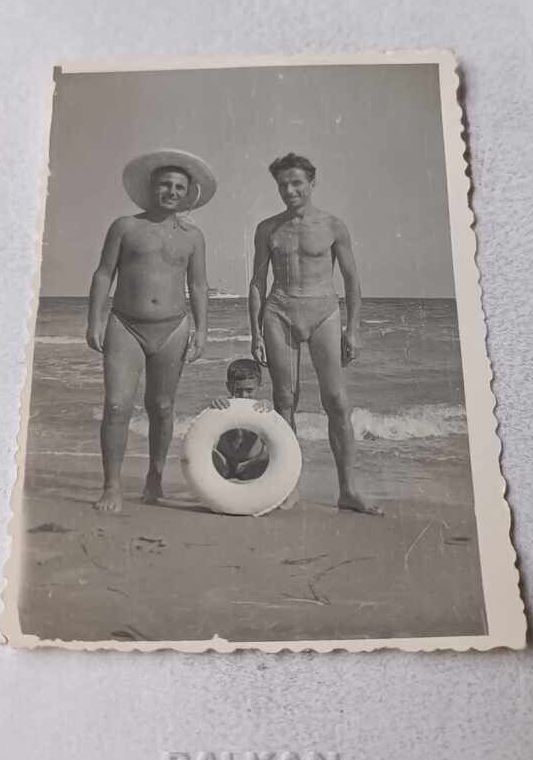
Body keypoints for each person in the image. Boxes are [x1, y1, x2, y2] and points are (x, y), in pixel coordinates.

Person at [249, 152, 382, 514]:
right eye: (282, 185)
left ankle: (348, 490)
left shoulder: (333, 226)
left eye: (296, 183)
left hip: (323, 311)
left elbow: (352, 280)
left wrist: (353, 330)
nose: (289, 190)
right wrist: (255, 332)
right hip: (279, 312)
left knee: (336, 402)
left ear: (311, 183)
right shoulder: (267, 229)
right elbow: (258, 282)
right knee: (284, 400)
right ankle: (287, 486)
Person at [86, 149, 216, 512]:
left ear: (188, 194)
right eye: (165, 185)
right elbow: (103, 274)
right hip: (125, 323)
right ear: (151, 188)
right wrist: (93, 319)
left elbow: (200, 285)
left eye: (178, 187)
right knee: (116, 405)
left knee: (161, 405)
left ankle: (154, 480)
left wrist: (203, 331)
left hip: (173, 328)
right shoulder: (126, 226)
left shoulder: (193, 237)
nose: (171, 191)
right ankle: (111, 486)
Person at [209, 359, 270, 482]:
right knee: (210, 456)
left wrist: (269, 406)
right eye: (238, 391)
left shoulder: (262, 409)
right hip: (224, 462)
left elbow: (273, 437)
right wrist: (215, 404)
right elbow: (207, 429)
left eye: (249, 390)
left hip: (251, 464)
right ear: (228, 386)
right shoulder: (224, 406)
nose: (244, 395)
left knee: (266, 458)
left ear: (260, 386)